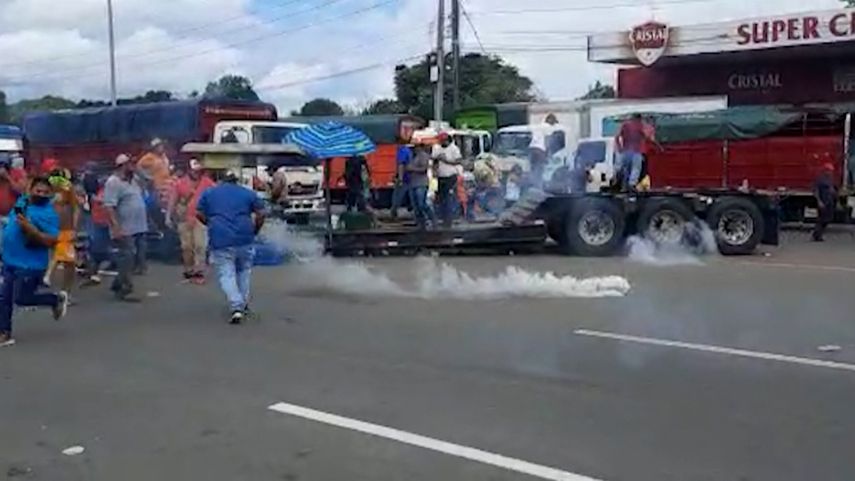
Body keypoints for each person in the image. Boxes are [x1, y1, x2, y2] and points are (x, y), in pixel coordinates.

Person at [0, 176, 68, 347]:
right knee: (3, 298)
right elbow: (17, 186)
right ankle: (4, 333)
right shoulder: (23, 201)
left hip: (30, 265)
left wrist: (31, 229)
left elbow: (51, 241)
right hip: (10, 259)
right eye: (38, 190)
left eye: (45, 192)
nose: (41, 194)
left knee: (22, 299)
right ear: (31, 190)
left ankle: (54, 299)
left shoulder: (48, 214)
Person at [196, 170, 265, 324]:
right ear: (236, 180)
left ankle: (236, 306)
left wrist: (210, 223)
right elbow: (261, 213)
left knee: (227, 273)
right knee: (244, 271)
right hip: (244, 237)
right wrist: (255, 230)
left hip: (220, 238)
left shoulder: (210, 193)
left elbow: (198, 213)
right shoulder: (248, 193)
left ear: (221, 179)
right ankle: (243, 303)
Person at [103, 154, 148, 302]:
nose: (134, 166)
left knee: (133, 258)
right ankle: (125, 289)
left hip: (138, 226)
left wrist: (140, 174)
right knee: (127, 257)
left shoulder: (134, 180)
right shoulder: (113, 182)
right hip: (124, 227)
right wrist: (116, 227)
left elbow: (149, 183)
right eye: (131, 164)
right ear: (122, 165)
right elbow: (109, 206)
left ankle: (118, 283)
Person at [168, 158, 214, 283]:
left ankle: (199, 271)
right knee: (186, 247)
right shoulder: (180, 183)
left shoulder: (207, 183)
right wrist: (169, 216)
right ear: (189, 171)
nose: (196, 173)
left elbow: (214, 198)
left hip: (201, 219)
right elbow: (173, 200)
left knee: (200, 245)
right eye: (194, 171)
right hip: (184, 219)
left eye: (198, 171)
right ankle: (189, 269)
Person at [44, 169, 79, 299]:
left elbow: (75, 208)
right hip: (50, 230)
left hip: (65, 230)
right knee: (57, 258)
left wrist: (74, 228)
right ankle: (57, 289)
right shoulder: (44, 190)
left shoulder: (67, 189)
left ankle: (65, 292)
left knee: (68, 263)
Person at [616, 113, 655, 191]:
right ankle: (632, 185)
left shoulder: (625, 125)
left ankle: (624, 186)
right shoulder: (640, 125)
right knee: (636, 168)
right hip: (637, 151)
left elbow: (617, 136)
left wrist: (619, 148)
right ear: (639, 118)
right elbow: (647, 136)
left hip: (625, 151)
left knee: (626, 169)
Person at [431, 132, 462, 228]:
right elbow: (433, 160)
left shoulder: (454, 148)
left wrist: (446, 160)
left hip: (450, 176)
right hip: (440, 177)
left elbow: (458, 160)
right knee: (440, 199)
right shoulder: (436, 148)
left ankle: (449, 221)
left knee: (449, 199)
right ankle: (442, 218)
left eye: (443, 140)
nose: (441, 142)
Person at [407, 143, 436, 229]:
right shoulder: (413, 157)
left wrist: (412, 169)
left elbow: (424, 169)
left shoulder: (423, 156)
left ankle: (433, 219)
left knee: (421, 204)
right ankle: (421, 224)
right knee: (415, 206)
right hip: (412, 183)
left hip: (421, 183)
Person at [813, 162, 837, 242]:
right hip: (823, 202)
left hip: (829, 202)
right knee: (821, 219)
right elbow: (816, 191)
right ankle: (817, 235)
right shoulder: (820, 179)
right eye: (829, 171)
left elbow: (831, 190)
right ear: (825, 171)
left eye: (831, 171)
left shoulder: (830, 179)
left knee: (828, 219)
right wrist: (819, 201)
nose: (830, 172)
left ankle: (818, 234)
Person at [390, 144, 413, 219]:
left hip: (405, 178)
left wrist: (400, 178)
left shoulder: (402, 151)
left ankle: (394, 214)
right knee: (412, 197)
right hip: (411, 178)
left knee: (397, 197)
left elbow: (401, 165)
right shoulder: (409, 151)